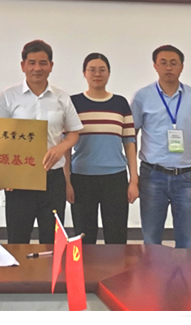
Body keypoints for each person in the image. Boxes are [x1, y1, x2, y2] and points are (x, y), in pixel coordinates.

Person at [0, 39, 83, 244]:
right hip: (19, 178)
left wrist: (60, 148)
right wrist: (2, 175)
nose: (37, 68)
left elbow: (74, 132)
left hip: (52, 178)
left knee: (52, 240)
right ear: (23, 65)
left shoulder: (62, 97)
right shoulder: (9, 96)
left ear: (51, 66)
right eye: (32, 62)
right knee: (17, 239)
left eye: (43, 63)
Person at [130, 44, 191, 249]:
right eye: (163, 63)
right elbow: (130, 136)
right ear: (155, 66)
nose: (168, 67)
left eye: (173, 63)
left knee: (187, 241)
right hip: (152, 175)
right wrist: (133, 177)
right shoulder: (143, 96)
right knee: (151, 241)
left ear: (182, 66)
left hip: (186, 178)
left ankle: (186, 272)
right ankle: (152, 272)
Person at [66, 53, 138, 245]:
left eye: (102, 70)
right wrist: (67, 181)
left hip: (115, 178)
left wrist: (133, 180)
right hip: (81, 177)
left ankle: (115, 267)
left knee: (116, 236)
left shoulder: (120, 103)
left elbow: (129, 142)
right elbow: (65, 146)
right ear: (84, 73)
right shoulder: (73, 103)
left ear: (109, 73)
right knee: (84, 237)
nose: (97, 74)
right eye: (92, 70)